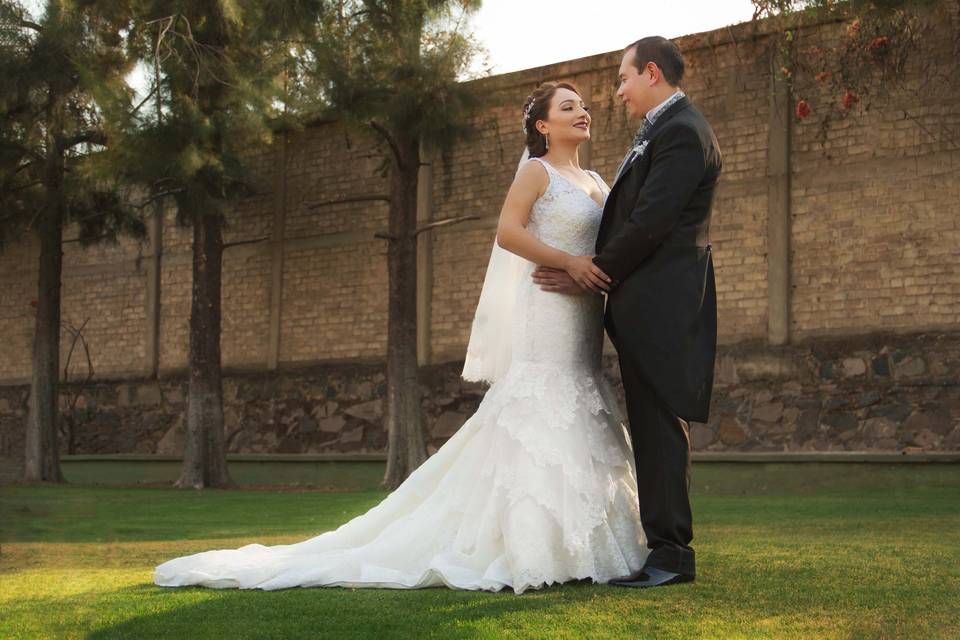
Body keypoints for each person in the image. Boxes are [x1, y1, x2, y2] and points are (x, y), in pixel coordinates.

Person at [154, 81, 649, 595]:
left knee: (578, 401)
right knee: (541, 408)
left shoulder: (593, 179)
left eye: (585, 106)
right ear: (543, 125)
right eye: (568, 107)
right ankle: (530, 547)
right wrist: (568, 261)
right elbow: (508, 232)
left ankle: (584, 544)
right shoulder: (536, 171)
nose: (583, 112)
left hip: (583, 315)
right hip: (546, 307)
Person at [533, 36, 722, 588]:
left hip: (663, 301)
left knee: (660, 426)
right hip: (646, 301)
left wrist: (590, 272)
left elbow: (651, 222)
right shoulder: (664, 129)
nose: (616, 91)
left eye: (623, 78)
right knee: (649, 424)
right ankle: (663, 549)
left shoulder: (683, 133)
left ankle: (670, 555)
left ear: (653, 73)